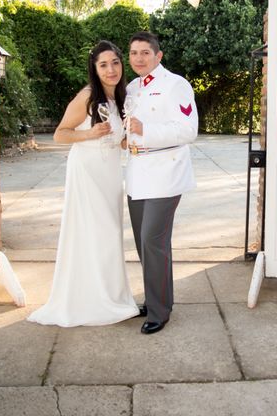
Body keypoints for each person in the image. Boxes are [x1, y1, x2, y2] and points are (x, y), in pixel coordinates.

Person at [27, 40, 139, 327]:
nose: (111, 69)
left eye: (115, 62)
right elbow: (60, 134)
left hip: (111, 174)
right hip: (87, 173)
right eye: (103, 64)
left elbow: (117, 138)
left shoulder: (122, 98)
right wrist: (90, 134)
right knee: (94, 234)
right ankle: (92, 301)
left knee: (110, 235)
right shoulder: (88, 96)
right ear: (94, 68)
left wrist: (127, 139)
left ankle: (112, 296)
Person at [125, 31, 198, 335]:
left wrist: (146, 130)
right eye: (133, 53)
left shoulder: (176, 85)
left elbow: (188, 130)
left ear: (159, 56)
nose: (139, 58)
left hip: (167, 173)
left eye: (145, 52)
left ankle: (159, 311)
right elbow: (126, 125)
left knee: (152, 240)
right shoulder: (130, 88)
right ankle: (158, 298)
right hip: (137, 172)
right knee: (146, 245)